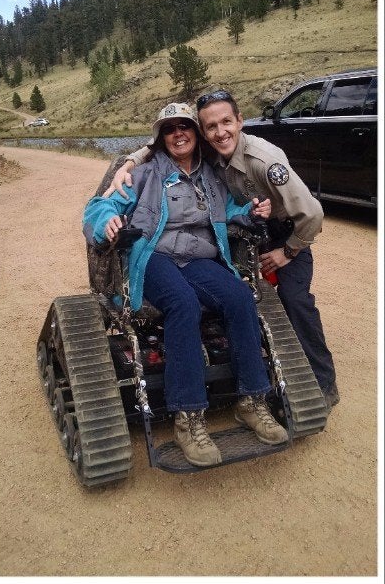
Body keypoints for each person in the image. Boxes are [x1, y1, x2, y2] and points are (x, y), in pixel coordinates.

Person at [103, 92, 339, 412]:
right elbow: (104, 205)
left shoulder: (248, 162)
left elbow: (307, 215)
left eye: (226, 122)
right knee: (187, 301)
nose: (219, 131)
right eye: (211, 126)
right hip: (185, 248)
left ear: (239, 121)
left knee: (280, 300)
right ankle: (190, 408)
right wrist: (126, 168)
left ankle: (301, 385)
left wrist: (278, 240)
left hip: (288, 234)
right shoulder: (167, 167)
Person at [83, 102, 288, 468]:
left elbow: (229, 211)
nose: (179, 133)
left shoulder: (209, 176)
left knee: (241, 297)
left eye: (185, 127)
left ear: (196, 134)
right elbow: (98, 206)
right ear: (161, 138)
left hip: (198, 258)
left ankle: (252, 400)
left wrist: (251, 211)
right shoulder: (143, 174)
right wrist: (108, 221)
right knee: (183, 304)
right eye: (169, 128)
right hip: (154, 256)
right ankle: (188, 416)